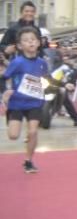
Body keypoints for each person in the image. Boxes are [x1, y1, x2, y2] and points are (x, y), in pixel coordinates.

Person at [2, 27, 48, 173]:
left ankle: (28, 161)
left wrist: (63, 84)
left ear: (39, 43)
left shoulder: (42, 63)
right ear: (20, 46)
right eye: (27, 40)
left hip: (35, 103)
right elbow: (3, 78)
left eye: (33, 39)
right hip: (17, 103)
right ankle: (25, 137)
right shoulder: (17, 62)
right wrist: (5, 92)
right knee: (13, 136)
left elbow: (47, 80)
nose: (31, 42)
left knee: (33, 131)